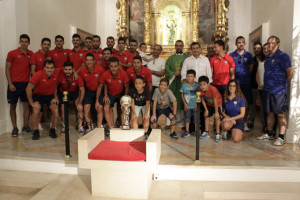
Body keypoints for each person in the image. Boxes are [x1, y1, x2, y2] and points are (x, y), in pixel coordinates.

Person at [260, 36, 293, 146]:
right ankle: (269, 133)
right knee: (269, 112)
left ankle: (281, 137)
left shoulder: (283, 56)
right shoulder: (268, 57)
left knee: (280, 114)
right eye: (269, 43)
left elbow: (290, 71)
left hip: (278, 91)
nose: (270, 45)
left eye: (272, 43)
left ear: (277, 44)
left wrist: (283, 83)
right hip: (268, 89)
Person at [5, 34, 33, 136]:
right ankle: (15, 128)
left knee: (27, 106)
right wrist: (10, 83)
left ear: (29, 43)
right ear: (19, 42)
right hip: (14, 84)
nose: (24, 43)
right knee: (13, 106)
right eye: (22, 41)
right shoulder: (12, 53)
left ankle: (25, 126)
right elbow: (7, 69)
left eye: (26, 41)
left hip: (26, 84)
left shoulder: (31, 54)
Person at [26, 59, 60, 140]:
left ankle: (52, 129)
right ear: (44, 68)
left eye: (51, 68)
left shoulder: (57, 73)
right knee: (36, 110)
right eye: (47, 67)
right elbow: (28, 89)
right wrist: (31, 103)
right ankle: (36, 130)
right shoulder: (38, 75)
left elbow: (55, 87)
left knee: (55, 111)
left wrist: (56, 97)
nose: (50, 70)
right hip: (38, 95)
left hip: (49, 95)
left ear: (54, 68)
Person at [98, 57, 130, 131]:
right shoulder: (105, 74)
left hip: (121, 93)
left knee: (124, 108)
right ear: (109, 66)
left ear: (119, 66)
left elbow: (127, 87)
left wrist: (125, 98)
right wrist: (105, 96)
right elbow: (102, 85)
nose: (113, 68)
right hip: (110, 94)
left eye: (115, 66)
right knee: (106, 108)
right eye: (111, 66)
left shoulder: (123, 74)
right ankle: (111, 127)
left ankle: (123, 126)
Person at [229, 36, 254, 132]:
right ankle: (233, 122)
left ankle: (244, 122)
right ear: (236, 44)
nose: (241, 44)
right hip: (235, 84)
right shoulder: (231, 55)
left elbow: (251, 68)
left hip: (246, 83)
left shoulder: (248, 55)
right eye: (239, 42)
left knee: (246, 103)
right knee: (234, 103)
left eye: (242, 42)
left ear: (245, 43)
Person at [78, 53, 105, 134]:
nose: (89, 62)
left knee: (99, 107)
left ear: (94, 61)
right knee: (86, 108)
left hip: (99, 91)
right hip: (88, 92)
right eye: (87, 60)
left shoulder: (100, 69)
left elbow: (103, 84)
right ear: (85, 61)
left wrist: (100, 98)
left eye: (91, 60)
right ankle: (90, 127)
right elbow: (81, 87)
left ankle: (99, 127)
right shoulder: (82, 70)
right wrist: (79, 101)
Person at [165, 40, 189, 128]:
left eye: (180, 45)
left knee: (182, 102)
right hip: (173, 82)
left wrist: (182, 74)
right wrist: (173, 74)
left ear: (183, 47)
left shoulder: (187, 58)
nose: (178, 47)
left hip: (183, 82)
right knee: (172, 101)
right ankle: (169, 122)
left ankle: (182, 123)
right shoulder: (171, 58)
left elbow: (190, 69)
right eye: (177, 45)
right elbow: (167, 69)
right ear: (175, 47)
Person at [58, 61, 84, 135]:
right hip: (64, 93)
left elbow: (82, 90)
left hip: (75, 93)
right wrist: (56, 97)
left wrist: (80, 102)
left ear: (73, 70)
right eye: (66, 69)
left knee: (80, 108)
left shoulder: (77, 77)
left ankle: (80, 126)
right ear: (63, 69)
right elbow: (55, 87)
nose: (67, 71)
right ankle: (65, 126)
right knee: (63, 109)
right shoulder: (60, 75)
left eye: (69, 69)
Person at [198, 76, 222, 142]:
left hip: (217, 104)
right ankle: (207, 132)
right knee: (206, 115)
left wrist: (216, 112)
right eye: (201, 85)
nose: (202, 86)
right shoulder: (200, 90)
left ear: (208, 84)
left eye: (204, 84)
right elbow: (202, 99)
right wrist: (206, 110)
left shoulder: (213, 89)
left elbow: (215, 101)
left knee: (217, 118)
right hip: (209, 104)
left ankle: (218, 134)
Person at [248, 42, 265, 131]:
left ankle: (263, 124)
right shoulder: (252, 60)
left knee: (263, 106)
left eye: (258, 48)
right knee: (252, 105)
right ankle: (251, 121)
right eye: (255, 48)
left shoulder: (265, 59)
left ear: (261, 49)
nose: (256, 50)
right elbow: (250, 72)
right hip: (253, 85)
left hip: (263, 86)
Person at [255, 43, 269, 138]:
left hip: (268, 88)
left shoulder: (272, 60)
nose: (265, 50)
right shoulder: (261, 61)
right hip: (261, 87)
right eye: (264, 49)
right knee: (263, 108)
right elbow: (257, 74)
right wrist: (259, 83)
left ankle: (269, 128)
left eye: (267, 49)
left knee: (269, 109)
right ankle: (265, 126)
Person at [180, 69, 199, 138]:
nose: (189, 78)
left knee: (195, 119)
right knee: (187, 118)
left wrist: (197, 103)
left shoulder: (197, 86)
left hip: (195, 105)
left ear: (194, 77)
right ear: (186, 77)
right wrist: (185, 104)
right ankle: (187, 131)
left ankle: (196, 130)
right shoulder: (184, 86)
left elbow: (199, 95)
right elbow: (182, 94)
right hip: (187, 106)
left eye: (191, 76)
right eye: (188, 76)